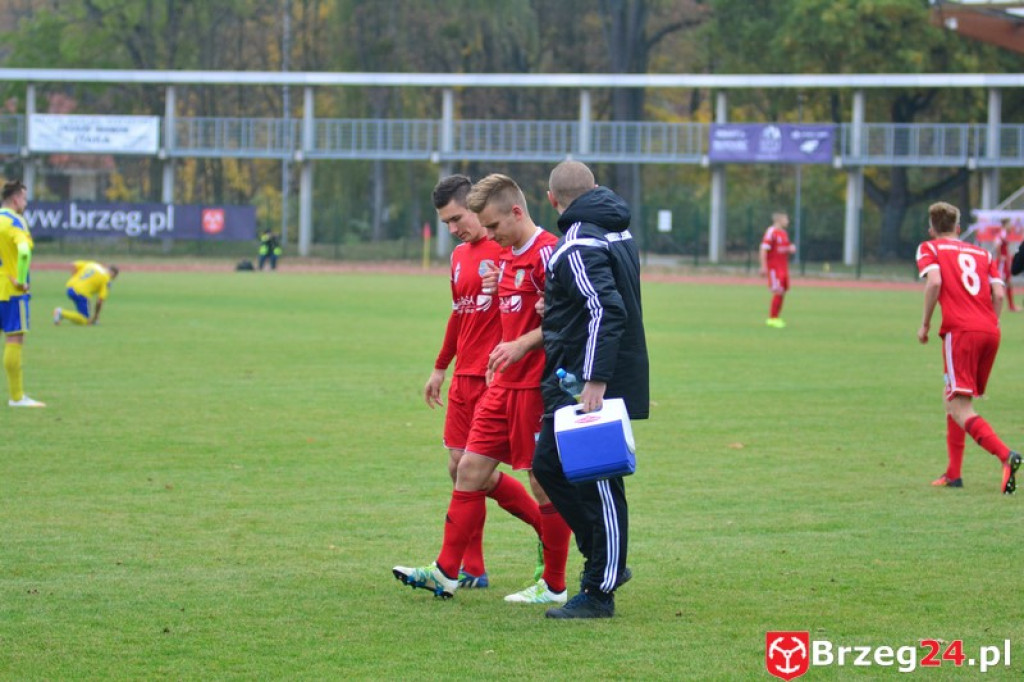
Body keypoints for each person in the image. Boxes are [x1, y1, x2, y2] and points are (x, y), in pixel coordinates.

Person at [394, 173, 572, 605]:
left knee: (542, 483)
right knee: (468, 469)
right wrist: (442, 366)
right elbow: (468, 311)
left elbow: (569, 317)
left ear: (511, 213)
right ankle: (448, 572)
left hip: (532, 386)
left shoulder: (549, 252)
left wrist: (524, 339)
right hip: (496, 382)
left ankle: (554, 581)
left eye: (486, 225)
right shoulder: (497, 257)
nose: (486, 234)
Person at [532, 161, 649, 619]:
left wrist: (596, 380)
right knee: (549, 463)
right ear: (594, 188)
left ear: (550, 199)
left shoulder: (578, 242)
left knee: (598, 479)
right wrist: (556, 301)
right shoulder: (612, 230)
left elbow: (605, 308)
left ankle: (601, 587)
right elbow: (596, 300)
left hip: (585, 379)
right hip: (580, 370)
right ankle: (605, 558)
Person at [423, 174, 505, 588]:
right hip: (462, 376)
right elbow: (460, 312)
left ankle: (547, 536)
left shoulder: (505, 248)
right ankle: (475, 567)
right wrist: (440, 366)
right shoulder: (458, 257)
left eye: (456, 218)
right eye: (446, 224)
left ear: (473, 205)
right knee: (458, 468)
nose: (453, 229)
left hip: (495, 376)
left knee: (476, 471)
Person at [916, 201, 1021, 494]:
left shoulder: (930, 248)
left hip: (960, 332)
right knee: (952, 397)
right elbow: (998, 293)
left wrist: (924, 324)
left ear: (932, 228)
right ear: (959, 228)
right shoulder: (982, 252)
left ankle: (1006, 456)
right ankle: (954, 474)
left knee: (960, 406)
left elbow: (934, 282)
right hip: (989, 330)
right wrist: (992, 323)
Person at [0, 179, 45, 408]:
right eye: (25, 199)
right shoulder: (16, 221)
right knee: (14, 337)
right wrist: (21, 278)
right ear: (16, 198)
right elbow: (24, 251)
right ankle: (16, 397)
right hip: (11, 292)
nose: (25, 204)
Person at [759, 211, 796, 328]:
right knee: (778, 291)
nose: (788, 221)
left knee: (782, 292)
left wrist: (790, 248)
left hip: (783, 267)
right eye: (786, 219)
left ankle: (777, 317)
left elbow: (783, 248)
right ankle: (772, 318)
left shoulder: (784, 233)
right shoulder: (771, 232)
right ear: (779, 220)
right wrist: (763, 266)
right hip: (774, 268)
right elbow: (763, 249)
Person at [53, 261, 119, 326]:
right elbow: (99, 301)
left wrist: (76, 279)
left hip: (70, 287)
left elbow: (74, 265)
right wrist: (96, 316)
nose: (112, 279)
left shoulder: (93, 264)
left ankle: (60, 315)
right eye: (114, 277)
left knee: (86, 306)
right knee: (85, 320)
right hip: (80, 293)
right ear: (113, 274)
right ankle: (61, 313)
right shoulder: (106, 279)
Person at [992, 219, 1018, 312]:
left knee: (1008, 282)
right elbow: (997, 244)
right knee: (1000, 282)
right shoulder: (1001, 234)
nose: (1011, 227)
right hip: (1001, 263)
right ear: (1005, 225)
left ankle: (1011, 306)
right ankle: (996, 305)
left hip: (1005, 263)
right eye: (1009, 225)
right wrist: (1000, 256)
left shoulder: (1005, 234)